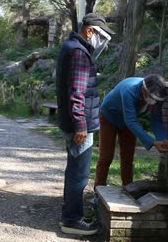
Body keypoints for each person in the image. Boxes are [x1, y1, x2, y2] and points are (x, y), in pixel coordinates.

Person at [56, 13, 114, 236]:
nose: (103, 41)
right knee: (79, 175)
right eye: (102, 36)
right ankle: (72, 220)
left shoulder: (70, 47)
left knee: (74, 171)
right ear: (89, 31)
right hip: (79, 126)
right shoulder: (79, 53)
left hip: (73, 123)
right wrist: (81, 125)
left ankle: (69, 214)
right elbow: (76, 94)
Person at [94, 74, 168, 189]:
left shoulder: (157, 94)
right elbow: (131, 122)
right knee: (106, 156)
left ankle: (128, 189)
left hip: (128, 120)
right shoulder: (129, 91)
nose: (154, 101)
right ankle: (98, 190)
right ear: (144, 89)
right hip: (109, 116)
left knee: (128, 158)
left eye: (156, 99)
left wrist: (162, 139)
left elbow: (156, 120)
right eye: (151, 97)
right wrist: (153, 142)